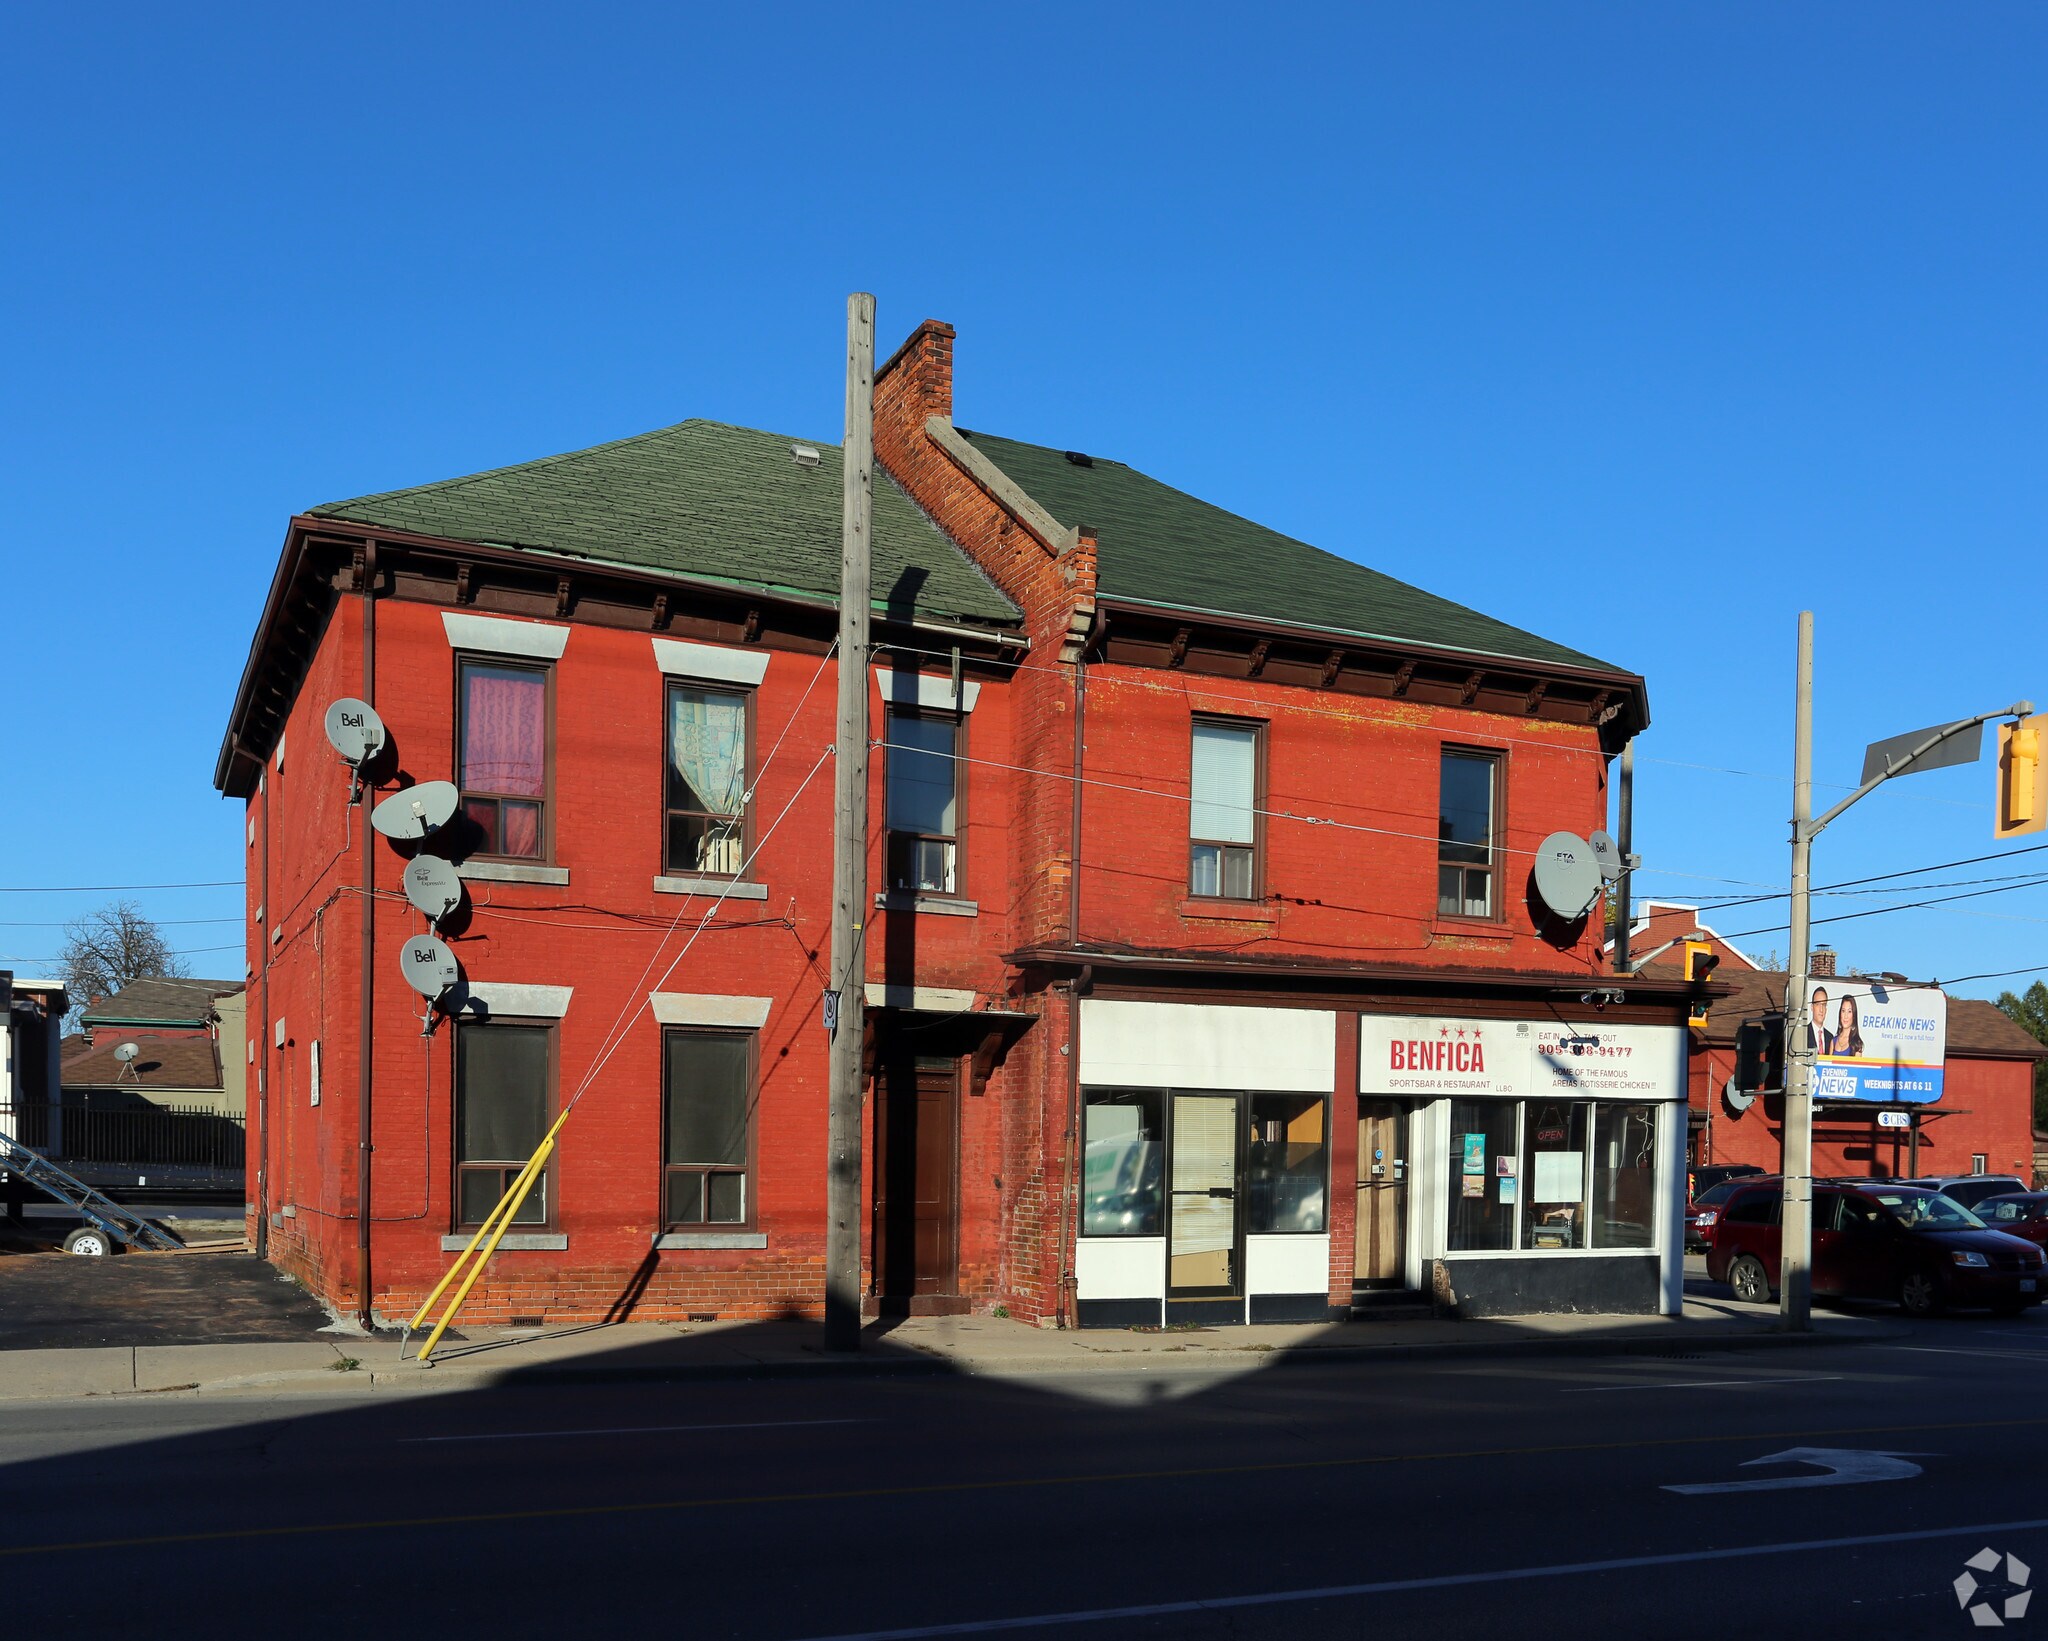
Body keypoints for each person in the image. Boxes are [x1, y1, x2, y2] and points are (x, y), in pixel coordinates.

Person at [1835, 993, 1865, 1058]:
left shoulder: (1857, 1044)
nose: (1845, 1016)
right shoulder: (1833, 1041)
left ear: (1853, 1015)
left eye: (1849, 1011)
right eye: (1843, 1011)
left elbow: (1857, 1068)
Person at [1808, 986, 1836, 1054]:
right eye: (1818, 1004)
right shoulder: (1803, 1034)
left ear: (1826, 1009)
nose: (1821, 1009)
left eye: (1823, 1005)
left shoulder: (1830, 1038)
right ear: (1812, 1007)